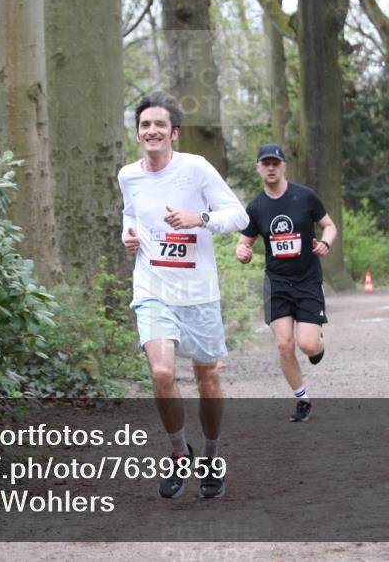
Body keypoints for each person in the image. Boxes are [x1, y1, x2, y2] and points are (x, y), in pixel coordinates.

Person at [118, 91, 248, 500]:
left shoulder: (196, 168)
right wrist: (127, 235)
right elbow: (130, 213)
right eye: (145, 125)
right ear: (138, 133)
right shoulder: (128, 176)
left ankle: (210, 456)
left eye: (160, 124)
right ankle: (179, 452)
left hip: (198, 292)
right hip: (152, 287)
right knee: (161, 373)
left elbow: (239, 215)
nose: (152, 131)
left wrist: (199, 218)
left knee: (207, 379)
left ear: (173, 133)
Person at [236, 144, 337, 423]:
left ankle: (317, 345)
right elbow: (244, 243)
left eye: (275, 163)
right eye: (265, 164)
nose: (270, 168)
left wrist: (326, 243)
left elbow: (329, 225)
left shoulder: (305, 196)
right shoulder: (256, 207)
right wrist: (242, 252)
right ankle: (302, 398)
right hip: (277, 283)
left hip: (307, 280)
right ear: (258, 168)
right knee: (284, 344)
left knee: (307, 345)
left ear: (283, 166)